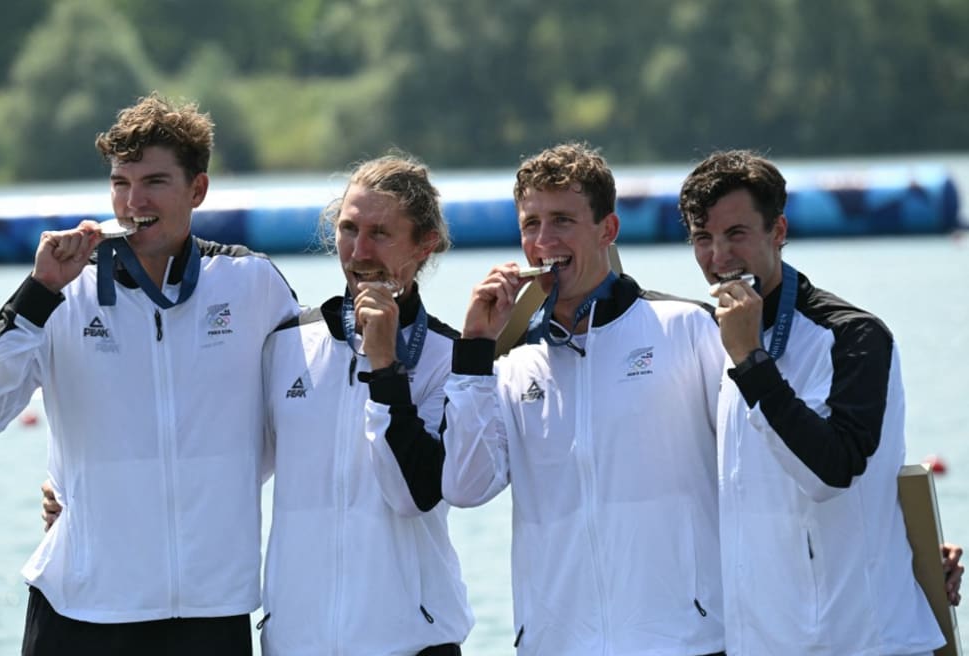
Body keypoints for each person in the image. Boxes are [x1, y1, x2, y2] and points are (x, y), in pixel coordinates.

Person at [0, 94, 300, 655]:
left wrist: (193, 489)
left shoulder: (253, 285)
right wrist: (37, 294)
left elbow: (309, 413)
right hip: (80, 610)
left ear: (198, 190)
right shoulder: (64, 288)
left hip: (212, 610)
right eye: (120, 182)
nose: (134, 200)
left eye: (155, 181)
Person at [441, 142, 727, 655]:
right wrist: (474, 354)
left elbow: (750, 476)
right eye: (531, 224)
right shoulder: (513, 364)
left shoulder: (685, 326)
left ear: (608, 230)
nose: (543, 240)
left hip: (684, 641)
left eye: (562, 221)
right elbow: (465, 487)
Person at [678, 149, 947, 655]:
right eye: (702, 238)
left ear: (778, 230)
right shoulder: (710, 340)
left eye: (736, 233)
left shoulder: (855, 336)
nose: (718, 258)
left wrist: (753, 361)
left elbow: (831, 472)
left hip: (866, 642)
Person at [256, 153, 473, 654]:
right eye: (348, 229)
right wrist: (74, 495)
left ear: (425, 245)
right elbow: (224, 464)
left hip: (411, 643)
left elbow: (412, 494)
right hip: (296, 642)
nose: (359, 252)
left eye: (380, 233)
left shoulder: (451, 357)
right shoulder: (284, 343)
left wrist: (384, 368)